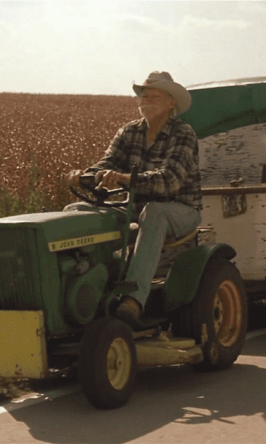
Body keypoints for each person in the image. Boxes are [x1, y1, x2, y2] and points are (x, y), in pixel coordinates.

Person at [64, 71, 202, 329]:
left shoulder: (183, 133)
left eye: (154, 96)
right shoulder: (129, 132)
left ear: (171, 103)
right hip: (134, 209)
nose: (145, 100)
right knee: (76, 212)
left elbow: (169, 181)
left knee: (154, 212)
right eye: (143, 96)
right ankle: (89, 288)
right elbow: (107, 164)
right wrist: (82, 176)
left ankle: (133, 300)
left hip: (180, 211)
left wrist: (124, 178)